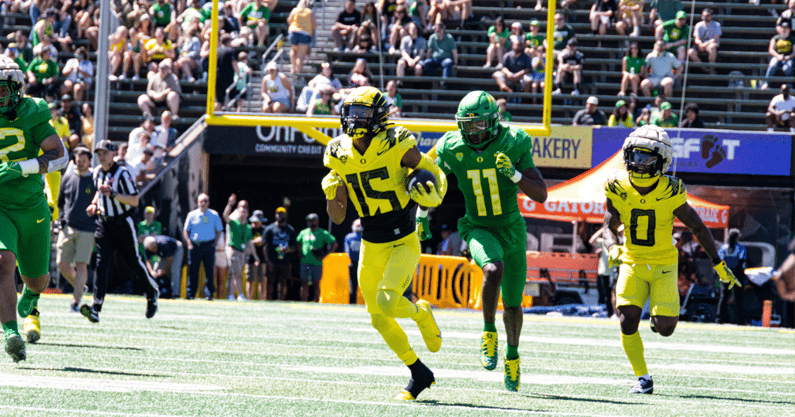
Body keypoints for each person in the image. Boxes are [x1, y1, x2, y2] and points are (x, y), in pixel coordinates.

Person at [322, 86, 447, 400]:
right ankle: (419, 373)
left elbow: (432, 175)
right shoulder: (338, 150)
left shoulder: (396, 141)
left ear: (378, 116)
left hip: (402, 240)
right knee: (378, 316)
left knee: (389, 301)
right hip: (371, 242)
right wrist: (331, 195)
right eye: (350, 113)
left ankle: (421, 313)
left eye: (361, 113)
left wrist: (428, 193)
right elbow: (337, 218)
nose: (354, 120)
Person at [601, 125, 739, 394]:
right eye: (635, 156)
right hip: (631, 261)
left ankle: (658, 318)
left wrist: (718, 263)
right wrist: (612, 247)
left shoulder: (671, 190)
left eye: (646, 157)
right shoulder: (616, 185)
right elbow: (608, 224)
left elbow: (698, 227)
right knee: (627, 318)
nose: (638, 163)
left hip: (664, 264)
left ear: (661, 160)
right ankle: (643, 378)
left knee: (665, 328)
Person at [434, 90, 547, 392]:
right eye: (466, 126)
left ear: (494, 121)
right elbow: (431, 180)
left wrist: (515, 176)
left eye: (478, 125)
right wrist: (421, 210)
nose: (471, 133)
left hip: (512, 229)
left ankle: (512, 356)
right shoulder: (451, 146)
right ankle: (487, 332)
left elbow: (541, 193)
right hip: (477, 226)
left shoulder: (514, 141)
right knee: (492, 270)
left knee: (512, 303)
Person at [0, 55, 68, 361]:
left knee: (37, 279)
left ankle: (30, 297)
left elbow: (60, 156)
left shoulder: (32, 111)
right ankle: (11, 332)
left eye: (2, 89)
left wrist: (21, 166)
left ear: (16, 89)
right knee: (3, 261)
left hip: (31, 205)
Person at [80, 140, 159, 324]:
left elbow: (135, 200)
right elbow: (99, 192)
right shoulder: (98, 172)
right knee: (101, 264)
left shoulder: (122, 174)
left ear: (113, 153)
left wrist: (114, 194)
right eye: (99, 153)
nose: (101, 156)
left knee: (134, 262)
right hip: (103, 223)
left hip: (123, 224)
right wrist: (94, 204)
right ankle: (96, 307)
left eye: (105, 153)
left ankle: (151, 292)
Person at [57, 149, 95, 313]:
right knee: (62, 264)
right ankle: (80, 286)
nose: (80, 162)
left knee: (81, 265)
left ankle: (76, 301)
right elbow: (60, 201)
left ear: (89, 161)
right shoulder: (68, 176)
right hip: (68, 226)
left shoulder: (95, 179)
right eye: (78, 159)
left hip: (88, 228)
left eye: (84, 160)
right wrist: (62, 220)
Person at [183, 193, 223, 300]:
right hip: (195, 245)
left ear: (208, 203)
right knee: (193, 270)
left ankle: (209, 294)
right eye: (201, 201)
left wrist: (215, 243)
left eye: (205, 201)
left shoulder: (214, 214)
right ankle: (191, 294)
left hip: (208, 245)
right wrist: (189, 243)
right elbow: (186, 230)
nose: (203, 203)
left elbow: (219, 230)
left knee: (209, 271)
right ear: (197, 202)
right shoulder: (192, 215)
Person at [223, 195, 259, 301]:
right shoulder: (234, 223)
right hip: (233, 250)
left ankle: (230, 295)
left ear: (247, 214)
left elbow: (250, 242)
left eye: (244, 212)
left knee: (235, 274)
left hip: (242, 252)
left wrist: (256, 256)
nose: (242, 213)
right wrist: (229, 204)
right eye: (241, 211)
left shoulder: (248, 227)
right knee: (237, 274)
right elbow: (225, 216)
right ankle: (241, 294)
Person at [296, 213, 338, 302]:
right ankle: (303, 301)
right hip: (305, 261)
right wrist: (299, 252)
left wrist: (325, 255)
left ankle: (316, 301)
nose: (311, 222)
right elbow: (297, 242)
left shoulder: (322, 232)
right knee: (304, 282)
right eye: (309, 221)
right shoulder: (304, 232)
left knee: (316, 283)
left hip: (317, 262)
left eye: (313, 220)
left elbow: (334, 243)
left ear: (317, 221)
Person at [263, 207, 297, 300]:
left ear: (285, 215)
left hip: (285, 261)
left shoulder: (290, 230)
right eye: (278, 213)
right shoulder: (269, 229)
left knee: (283, 282)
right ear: (275, 215)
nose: (280, 215)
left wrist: (288, 249)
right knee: (270, 281)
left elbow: (294, 246)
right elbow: (265, 246)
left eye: (282, 214)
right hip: (272, 260)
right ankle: (269, 300)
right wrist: (267, 261)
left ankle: (281, 300)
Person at [717, 229, 748, 325]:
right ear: (738, 237)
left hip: (726, 273)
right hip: (737, 273)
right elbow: (742, 260)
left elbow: (720, 261)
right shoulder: (741, 248)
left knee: (723, 297)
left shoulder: (723, 248)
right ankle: (740, 321)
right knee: (739, 298)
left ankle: (719, 319)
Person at [761, 21, 795, 90]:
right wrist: (778, 56)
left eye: (786, 28)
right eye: (783, 28)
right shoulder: (776, 38)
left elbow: (794, 52)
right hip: (777, 57)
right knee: (772, 64)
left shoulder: (792, 39)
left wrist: (788, 57)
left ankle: (790, 84)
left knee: (787, 68)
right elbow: (771, 50)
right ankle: (767, 82)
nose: (784, 30)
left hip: (788, 57)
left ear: (789, 30)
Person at [287, 0, 316, 74]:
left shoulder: (295, 10)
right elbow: (314, 26)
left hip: (293, 32)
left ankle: (293, 67)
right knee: (300, 56)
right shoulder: (310, 12)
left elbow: (289, 20)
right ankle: (299, 73)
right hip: (305, 34)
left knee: (293, 50)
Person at [247, 210, 268, 300]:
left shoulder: (265, 229)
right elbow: (247, 242)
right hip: (250, 258)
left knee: (263, 281)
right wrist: (255, 241)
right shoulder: (248, 229)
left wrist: (258, 240)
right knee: (250, 280)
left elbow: (266, 240)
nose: (256, 223)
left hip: (263, 258)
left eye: (258, 221)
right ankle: (249, 299)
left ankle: (262, 299)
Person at [344, 219, 363, 304]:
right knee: (353, 284)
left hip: (363, 263)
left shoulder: (365, 236)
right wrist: (349, 260)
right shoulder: (349, 236)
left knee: (365, 284)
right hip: (353, 262)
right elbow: (347, 250)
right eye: (357, 225)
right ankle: (352, 302)